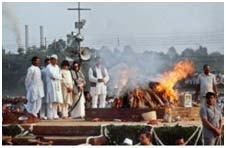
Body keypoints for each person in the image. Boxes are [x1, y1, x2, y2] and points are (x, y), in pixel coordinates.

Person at [46, 54, 63, 120]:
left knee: (56, 100)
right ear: (51, 60)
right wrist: (58, 77)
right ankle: (50, 115)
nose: (55, 61)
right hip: (51, 85)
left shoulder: (57, 67)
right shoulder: (48, 67)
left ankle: (55, 114)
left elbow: (60, 75)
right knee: (51, 101)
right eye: (54, 59)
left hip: (57, 85)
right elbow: (52, 75)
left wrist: (58, 77)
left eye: (56, 60)